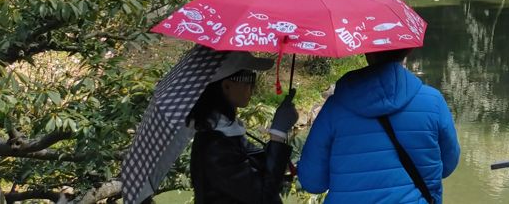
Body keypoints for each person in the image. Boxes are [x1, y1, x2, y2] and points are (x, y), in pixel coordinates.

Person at [297, 48, 459, 203]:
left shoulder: (334, 108)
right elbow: (447, 166)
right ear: (409, 50)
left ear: (367, 52)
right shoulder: (433, 102)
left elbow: (312, 182)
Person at [187, 53, 300, 204]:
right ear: (226, 86)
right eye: (249, 79)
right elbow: (262, 196)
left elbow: (258, 173)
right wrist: (278, 135)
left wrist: (277, 156)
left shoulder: (227, 132)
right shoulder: (216, 147)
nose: (253, 87)